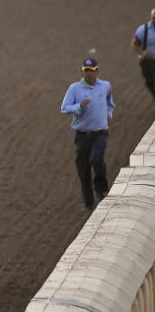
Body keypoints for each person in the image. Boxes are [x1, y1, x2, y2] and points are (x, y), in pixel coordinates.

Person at [61, 57, 115, 212]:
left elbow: (110, 102)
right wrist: (79, 106)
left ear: (96, 71)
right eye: (86, 71)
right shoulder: (74, 89)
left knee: (96, 159)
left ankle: (101, 189)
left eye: (91, 71)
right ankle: (88, 202)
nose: (89, 74)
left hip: (100, 133)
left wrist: (109, 113)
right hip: (83, 135)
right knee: (83, 169)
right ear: (82, 71)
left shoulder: (105, 86)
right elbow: (64, 108)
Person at [131, 8, 155, 101]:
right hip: (149, 62)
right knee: (150, 81)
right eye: (154, 18)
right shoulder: (143, 30)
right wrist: (142, 52)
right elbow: (134, 44)